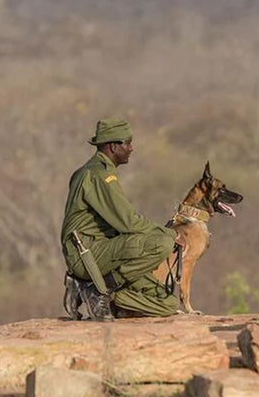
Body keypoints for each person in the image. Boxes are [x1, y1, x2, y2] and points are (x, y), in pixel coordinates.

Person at [61, 118, 180, 320]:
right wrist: (170, 233)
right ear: (114, 146)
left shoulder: (91, 171)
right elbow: (128, 222)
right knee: (163, 243)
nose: (131, 148)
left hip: (101, 253)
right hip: (87, 254)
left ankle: (95, 290)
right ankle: (100, 289)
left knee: (168, 303)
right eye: (128, 143)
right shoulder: (99, 175)